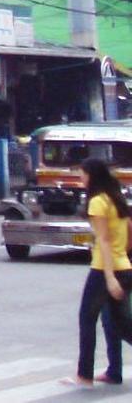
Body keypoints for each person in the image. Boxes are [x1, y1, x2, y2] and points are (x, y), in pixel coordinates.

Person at [74, 155, 132, 386]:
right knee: (121, 324)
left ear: (92, 176)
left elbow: (104, 240)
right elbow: (128, 231)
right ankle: (111, 372)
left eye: (83, 174)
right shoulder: (116, 199)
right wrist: (124, 255)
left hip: (103, 269)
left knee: (86, 318)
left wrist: (109, 277)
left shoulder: (97, 201)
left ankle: (84, 375)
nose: (81, 178)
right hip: (124, 266)